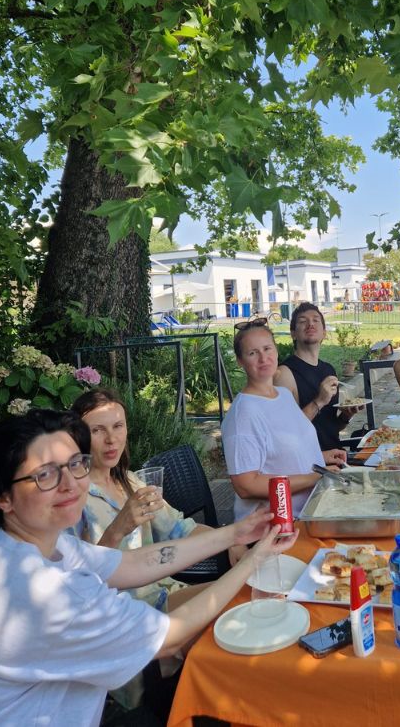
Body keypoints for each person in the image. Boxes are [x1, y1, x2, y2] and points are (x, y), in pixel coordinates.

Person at [0, 409, 295, 727]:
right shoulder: (42, 592)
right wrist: (254, 560)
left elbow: (133, 563)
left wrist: (236, 533)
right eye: (45, 474)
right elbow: (168, 638)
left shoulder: (22, 548)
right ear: (2, 497)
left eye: (74, 464)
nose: (71, 484)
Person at [70, 388, 218, 709]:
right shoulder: (73, 499)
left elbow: (181, 528)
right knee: (220, 640)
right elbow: (80, 582)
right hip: (126, 619)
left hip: (161, 594)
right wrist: (118, 527)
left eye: (118, 426)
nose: (111, 439)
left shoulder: (131, 482)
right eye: (98, 430)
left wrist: (234, 542)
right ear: (79, 436)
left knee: (235, 601)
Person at [224, 320, 346, 526]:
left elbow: (285, 449)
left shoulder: (283, 394)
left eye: (267, 348)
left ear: (276, 351)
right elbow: (246, 485)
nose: (263, 358)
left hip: (313, 510)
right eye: (253, 353)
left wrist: (322, 457)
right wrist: (314, 477)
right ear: (240, 361)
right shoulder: (243, 413)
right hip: (276, 527)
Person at [274, 302, 364, 450]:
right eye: (303, 321)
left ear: (324, 333)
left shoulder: (328, 370)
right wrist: (319, 401)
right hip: (309, 466)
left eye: (316, 320)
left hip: (336, 458)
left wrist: (346, 416)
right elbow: (286, 433)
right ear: (293, 334)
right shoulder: (284, 374)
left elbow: (330, 428)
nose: (310, 323)